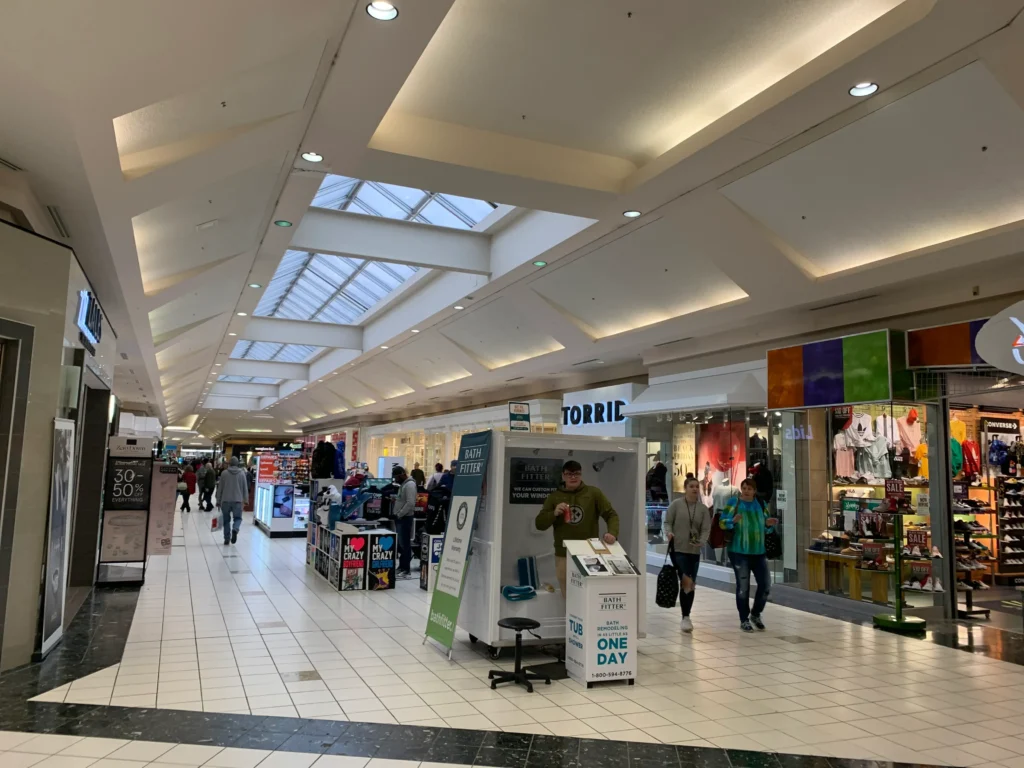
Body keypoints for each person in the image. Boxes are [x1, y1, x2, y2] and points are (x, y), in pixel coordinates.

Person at [536, 460, 619, 594]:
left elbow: (611, 514)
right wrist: (554, 513)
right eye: (569, 474)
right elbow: (539, 524)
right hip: (563, 554)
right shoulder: (554, 497)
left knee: (589, 592)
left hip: (589, 552)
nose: (573, 477)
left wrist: (613, 533)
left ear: (581, 475)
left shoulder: (593, 493)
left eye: (576, 474)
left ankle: (589, 616)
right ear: (563, 476)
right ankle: (568, 615)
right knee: (567, 593)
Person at [719, 477, 779, 632]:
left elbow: (766, 527)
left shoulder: (760, 504)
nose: (746, 491)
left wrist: (769, 525)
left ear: (754, 490)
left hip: (758, 552)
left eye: (749, 489)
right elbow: (722, 522)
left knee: (765, 584)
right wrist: (732, 521)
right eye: (744, 488)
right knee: (743, 587)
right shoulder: (734, 503)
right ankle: (744, 619)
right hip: (739, 552)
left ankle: (756, 614)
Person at [664, 477, 711, 632]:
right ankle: (685, 617)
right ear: (685, 488)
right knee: (686, 580)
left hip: (694, 550)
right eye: (691, 486)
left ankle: (686, 615)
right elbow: (667, 522)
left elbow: (705, 528)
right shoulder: (676, 505)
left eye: (697, 487)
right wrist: (669, 533)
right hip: (678, 549)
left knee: (690, 584)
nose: (695, 489)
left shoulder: (703, 509)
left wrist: (702, 541)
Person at [391, 466, 418, 579]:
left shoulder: (410, 485)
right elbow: (404, 499)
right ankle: (402, 566)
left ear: (402, 475)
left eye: (397, 477)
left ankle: (406, 569)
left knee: (405, 544)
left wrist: (400, 513)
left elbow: (410, 503)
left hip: (405, 518)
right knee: (401, 544)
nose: (396, 480)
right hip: (401, 518)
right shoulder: (404, 484)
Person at [217, 456, 250, 545]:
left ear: (229, 463)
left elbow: (220, 488)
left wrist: (218, 500)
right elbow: (244, 488)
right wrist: (246, 499)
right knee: (238, 518)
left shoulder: (224, 473)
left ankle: (227, 538)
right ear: (237, 464)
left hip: (225, 500)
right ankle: (235, 529)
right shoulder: (242, 473)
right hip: (237, 500)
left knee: (226, 520)